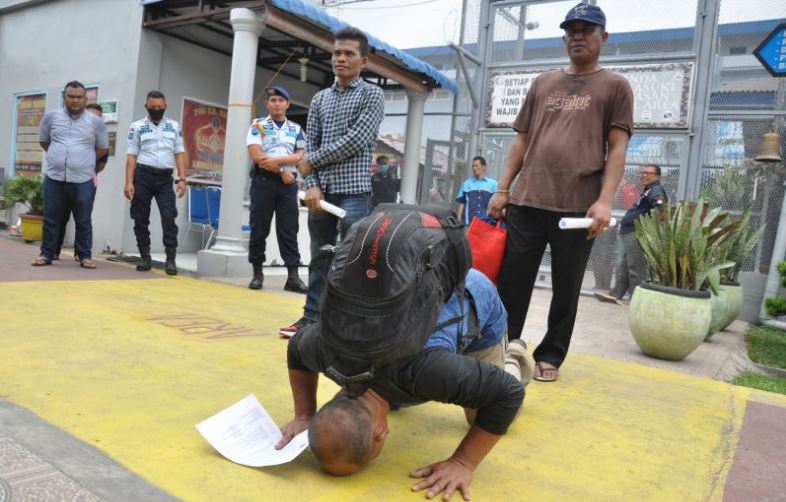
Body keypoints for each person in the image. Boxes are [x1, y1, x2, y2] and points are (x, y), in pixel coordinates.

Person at [276, 269, 533, 500]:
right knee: (402, 389)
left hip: (469, 294)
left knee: (492, 415)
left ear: (381, 434)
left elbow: (506, 395)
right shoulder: (330, 354)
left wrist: (462, 462)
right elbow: (297, 347)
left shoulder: (425, 372)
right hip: (418, 298)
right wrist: (304, 414)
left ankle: (514, 356)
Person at [487, 3, 634, 383]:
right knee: (512, 283)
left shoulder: (615, 86)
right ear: (563, 37)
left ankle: (550, 354)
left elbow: (617, 148)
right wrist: (503, 188)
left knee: (566, 287)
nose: (578, 36)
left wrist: (604, 201)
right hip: (527, 200)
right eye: (572, 30)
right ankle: (503, 346)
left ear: (604, 37)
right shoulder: (543, 83)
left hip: (577, 208)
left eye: (587, 29)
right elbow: (521, 140)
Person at [278, 27, 384, 337]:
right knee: (320, 257)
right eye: (337, 52)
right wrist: (310, 182)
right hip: (320, 193)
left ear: (363, 61)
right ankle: (311, 319)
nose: (341, 58)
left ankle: (348, 325)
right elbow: (309, 145)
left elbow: (358, 139)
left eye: (349, 53)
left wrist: (311, 162)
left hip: (354, 194)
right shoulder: (320, 98)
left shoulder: (372, 94)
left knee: (353, 261)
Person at [33, 81, 108, 269]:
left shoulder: (95, 122)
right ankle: (46, 254)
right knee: (51, 218)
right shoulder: (50, 118)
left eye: (79, 97)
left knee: (83, 219)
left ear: (85, 98)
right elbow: (44, 142)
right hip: (54, 178)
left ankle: (85, 256)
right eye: (71, 96)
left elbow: (101, 149)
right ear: (64, 97)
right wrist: (58, 156)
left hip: (83, 179)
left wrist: (83, 161)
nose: (75, 100)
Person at [246, 86, 308, 293]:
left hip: (288, 185)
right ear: (267, 104)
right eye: (273, 100)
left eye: (281, 100)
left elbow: (301, 157)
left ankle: (293, 276)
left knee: (289, 230)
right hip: (264, 182)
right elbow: (257, 156)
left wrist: (280, 163)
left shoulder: (296, 128)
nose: (277, 103)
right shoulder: (259, 125)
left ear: (287, 104)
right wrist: (283, 167)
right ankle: (257, 273)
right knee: (259, 228)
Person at [124, 90, 186, 275]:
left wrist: (182, 179)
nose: (157, 110)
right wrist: (128, 182)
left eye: (160, 107)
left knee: (169, 217)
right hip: (142, 175)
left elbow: (179, 153)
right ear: (146, 106)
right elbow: (131, 156)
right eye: (153, 108)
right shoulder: (137, 127)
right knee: (140, 217)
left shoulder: (174, 126)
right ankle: (145, 257)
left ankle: (171, 260)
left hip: (165, 179)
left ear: (165, 106)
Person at [596, 164, 667, 305]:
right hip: (630, 231)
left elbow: (661, 209)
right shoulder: (648, 190)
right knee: (625, 265)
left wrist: (648, 230)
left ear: (658, 176)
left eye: (648, 173)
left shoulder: (656, 190)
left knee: (636, 266)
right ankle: (616, 294)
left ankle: (636, 299)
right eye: (643, 172)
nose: (644, 175)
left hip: (637, 232)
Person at [53, 103, 107, 262]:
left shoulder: (100, 138)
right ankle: (54, 250)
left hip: (86, 182)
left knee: (83, 218)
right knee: (61, 216)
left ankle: (82, 252)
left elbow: (102, 163)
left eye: (97, 116)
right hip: (62, 181)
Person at [456, 156, 497, 226]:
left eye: (476, 166)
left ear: (484, 167)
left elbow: (496, 204)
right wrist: (458, 219)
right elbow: (462, 203)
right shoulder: (467, 183)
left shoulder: (493, 184)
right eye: (473, 166)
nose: (474, 168)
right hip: (468, 223)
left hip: (486, 223)